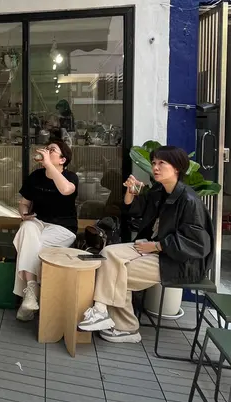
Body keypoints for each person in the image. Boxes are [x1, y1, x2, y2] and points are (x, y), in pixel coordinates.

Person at [78, 145, 214, 344]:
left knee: (118, 272)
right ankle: (101, 312)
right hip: (153, 248)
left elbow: (197, 243)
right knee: (108, 253)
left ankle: (126, 327)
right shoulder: (160, 191)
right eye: (154, 163)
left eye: (162, 163)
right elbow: (136, 210)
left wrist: (158, 246)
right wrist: (130, 193)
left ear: (177, 168)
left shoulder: (188, 200)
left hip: (179, 261)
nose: (155, 167)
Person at [13, 141, 79, 322]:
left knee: (29, 246)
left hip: (63, 228)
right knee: (26, 228)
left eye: (52, 150)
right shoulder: (36, 176)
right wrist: (24, 214)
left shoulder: (70, 177)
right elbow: (24, 203)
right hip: (38, 222)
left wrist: (49, 165)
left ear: (62, 160)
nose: (47, 152)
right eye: (47, 149)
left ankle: (29, 296)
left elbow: (66, 190)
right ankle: (32, 293)